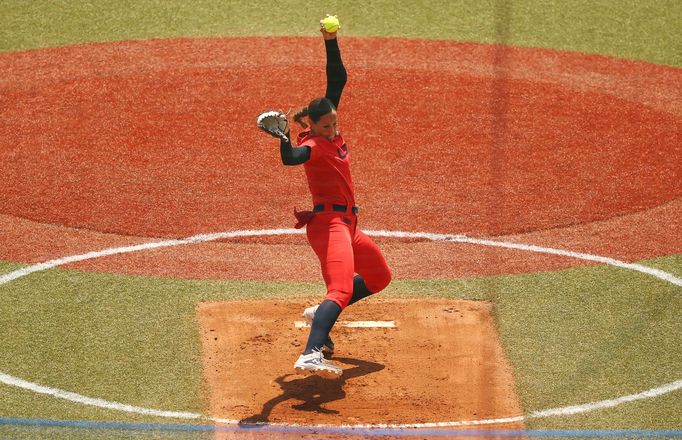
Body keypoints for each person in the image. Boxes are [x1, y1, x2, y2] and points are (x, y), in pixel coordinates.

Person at [274, 20, 392, 378]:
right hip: (328, 226)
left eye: (334, 123)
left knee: (378, 276)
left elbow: (337, 80)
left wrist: (331, 40)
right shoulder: (310, 145)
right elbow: (289, 159)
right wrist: (282, 137)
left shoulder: (330, 127)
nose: (332, 129)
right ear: (312, 124)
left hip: (349, 224)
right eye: (325, 125)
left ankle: (321, 313)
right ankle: (311, 352)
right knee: (340, 288)